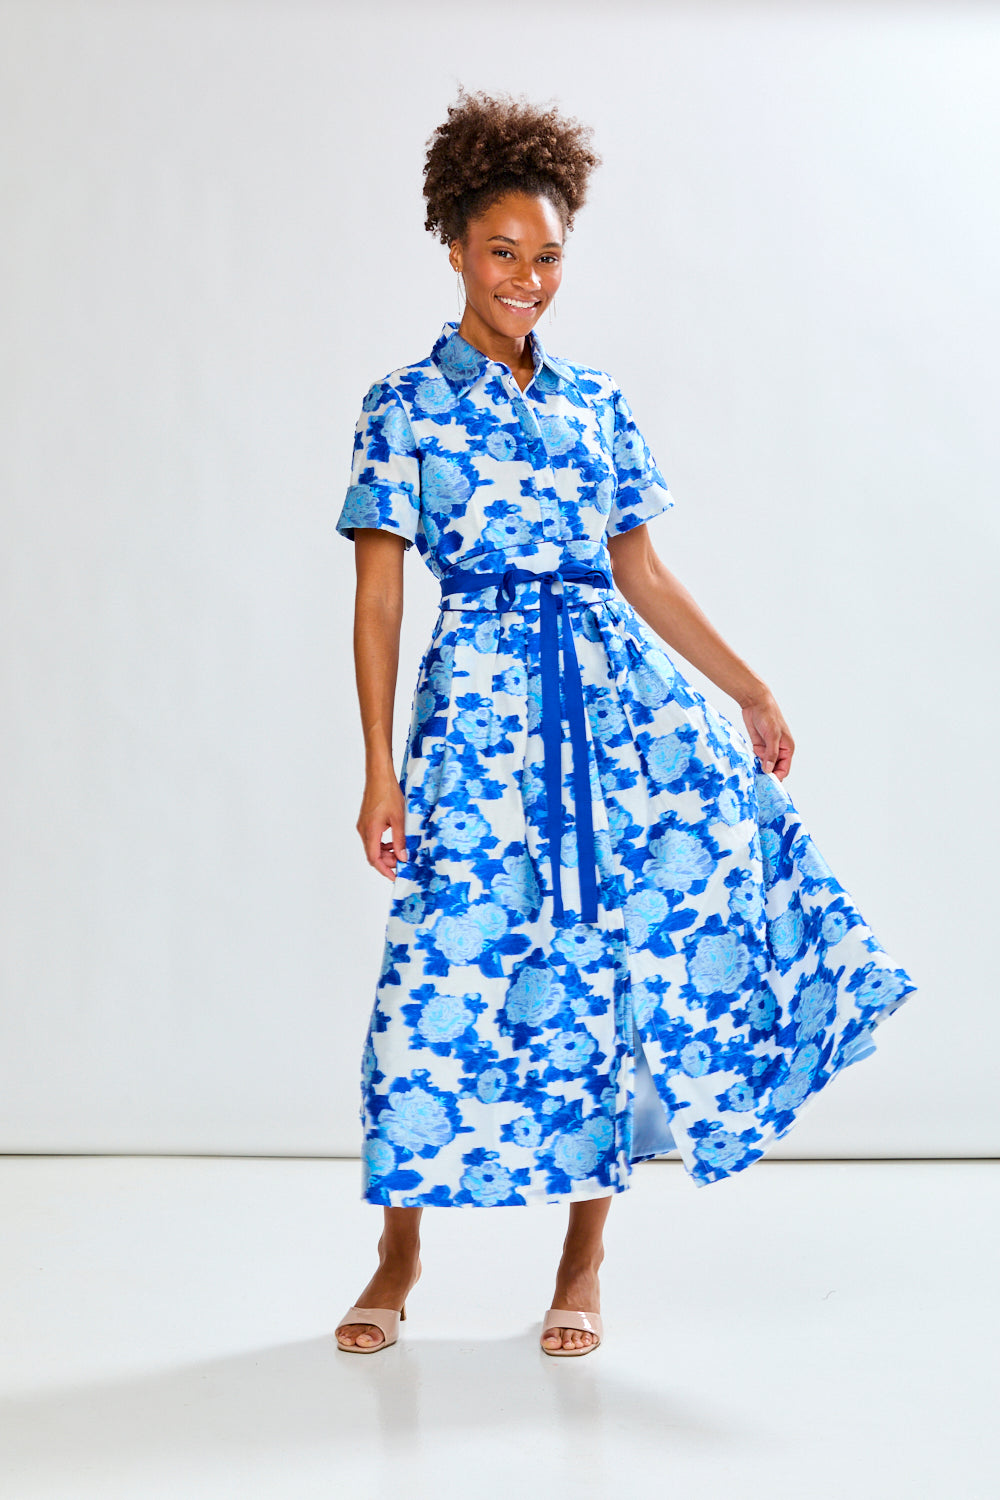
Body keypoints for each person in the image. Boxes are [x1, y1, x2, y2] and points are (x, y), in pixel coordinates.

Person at [332, 89, 916, 1357]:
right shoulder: (403, 409)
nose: (527, 279)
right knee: (437, 978)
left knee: (609, 973)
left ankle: (584, 1259)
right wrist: (378, 770)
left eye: (547, 257)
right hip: (480, 718)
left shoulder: (597, 402)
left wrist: (747, 687)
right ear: (451, 246)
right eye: (503, 252)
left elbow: (642, 574)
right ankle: (398, 1246)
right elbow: (379, 602)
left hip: (619, 719)